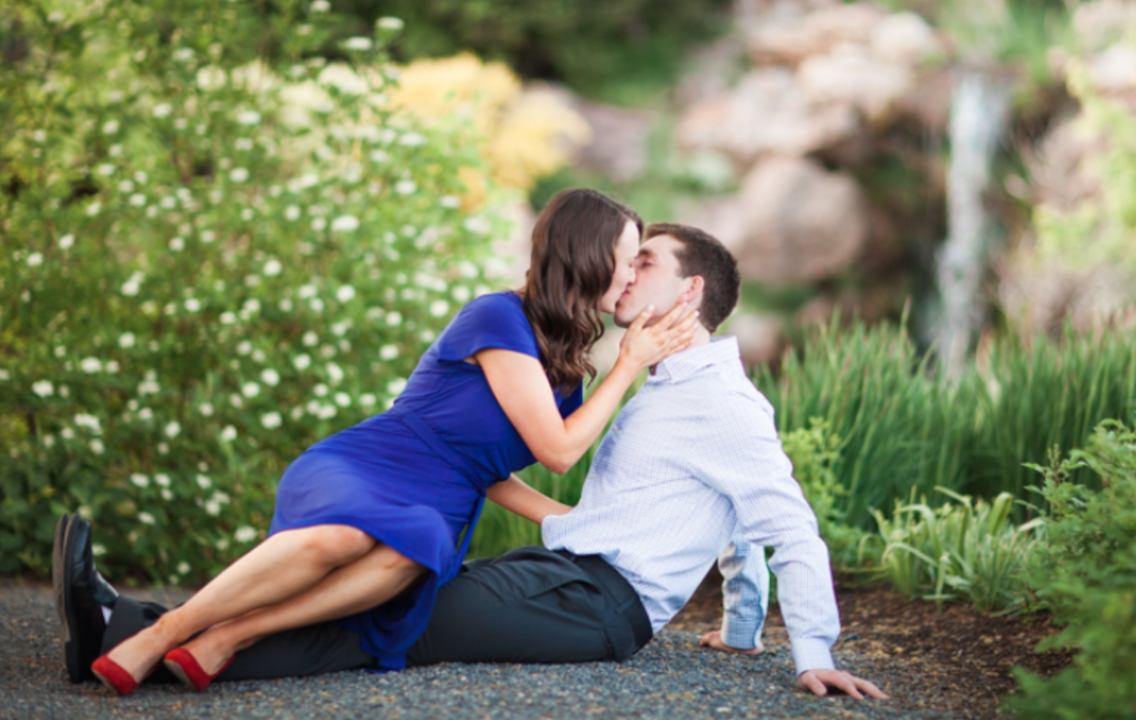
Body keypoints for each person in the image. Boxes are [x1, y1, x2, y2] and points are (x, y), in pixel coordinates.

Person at [58, 222, 889, 700]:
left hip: (596, 605)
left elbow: (784, 523)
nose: (626, 273)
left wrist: (813, 652)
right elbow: (737, 520)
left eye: (646, 262)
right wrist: (742, 629)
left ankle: (123, 627)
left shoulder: (723, 403)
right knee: (395, 580)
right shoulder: (665, 383)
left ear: (691, 294)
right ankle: (149, 627)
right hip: (567, 577)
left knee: (401, 614)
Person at [86, 189, 700, 695]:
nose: (628, 275)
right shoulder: (498, 318)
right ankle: (168, 629)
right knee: (345, 535)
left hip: (439, 503)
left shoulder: (564, 368)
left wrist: (572, 522)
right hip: (377, 462)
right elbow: (560, 452)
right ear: (588, 254)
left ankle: (236, 633)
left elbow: (485, 469)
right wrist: (629, 365)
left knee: (420, 545)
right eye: (627, 257)